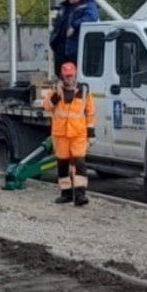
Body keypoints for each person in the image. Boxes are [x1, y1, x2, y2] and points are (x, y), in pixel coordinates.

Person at [42, 61, 95, 205]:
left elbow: (90, 113)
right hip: (61, 135)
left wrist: (91, 134)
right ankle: (66, 194)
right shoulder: (55, 89)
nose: (69, 79)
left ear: (75, 74)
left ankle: (80, 195)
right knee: (62, 165)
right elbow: (47, 106)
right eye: (67, 76)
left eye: (71, 76)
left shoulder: (83, 90)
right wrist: (56, 95)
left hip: (78, 134)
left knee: (80, 164)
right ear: (62, 76)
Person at [49, 0, 99, 77]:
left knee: (73, 78)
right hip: (61, 51)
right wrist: (53, 41)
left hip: (76, 51)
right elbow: (57, 25)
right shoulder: (64, 6)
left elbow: (91, 17)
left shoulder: (88, 5)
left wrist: (74, 26)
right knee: (61, 78)